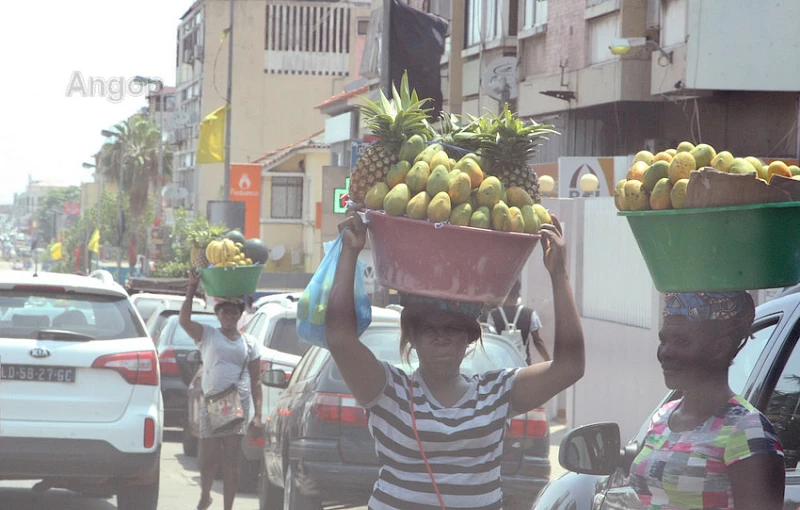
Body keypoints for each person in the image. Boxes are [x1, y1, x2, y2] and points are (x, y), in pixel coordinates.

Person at [326, 211, 585, 509]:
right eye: (428, 329)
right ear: (413, 338)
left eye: (452, 329)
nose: (441, 338)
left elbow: (569, 367)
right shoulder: (387, 392)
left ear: (468, 338)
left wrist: (558, 272)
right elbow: (339, 338)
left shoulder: (495, 393)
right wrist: (350, 252)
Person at [629, 291, 785, 510]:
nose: (665, 352)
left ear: (719, 348)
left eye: (681, 341)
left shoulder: (748, 432)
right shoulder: (662, 418)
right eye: (663, 341)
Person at [180, 270, 263, 510]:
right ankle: (205, 495)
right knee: (208, 459)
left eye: (233, 311)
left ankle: (228, 506)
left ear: (239, 315)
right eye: (224, 311)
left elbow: (256, 380)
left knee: (231, 461)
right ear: (218, 314)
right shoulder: (207, 335)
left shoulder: (250, 343)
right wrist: (191, 288)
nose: (229, 315)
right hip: (212, 402)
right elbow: (184, 321)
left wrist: (258, 414)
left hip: (237, 403)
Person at [488, 279, 551, 365]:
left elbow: (491, 341)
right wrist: (548, 361)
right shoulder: (530, 313)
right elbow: (538, 341)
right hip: (523, 363)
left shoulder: (493, 314)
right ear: (518, 295)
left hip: (501, 364)